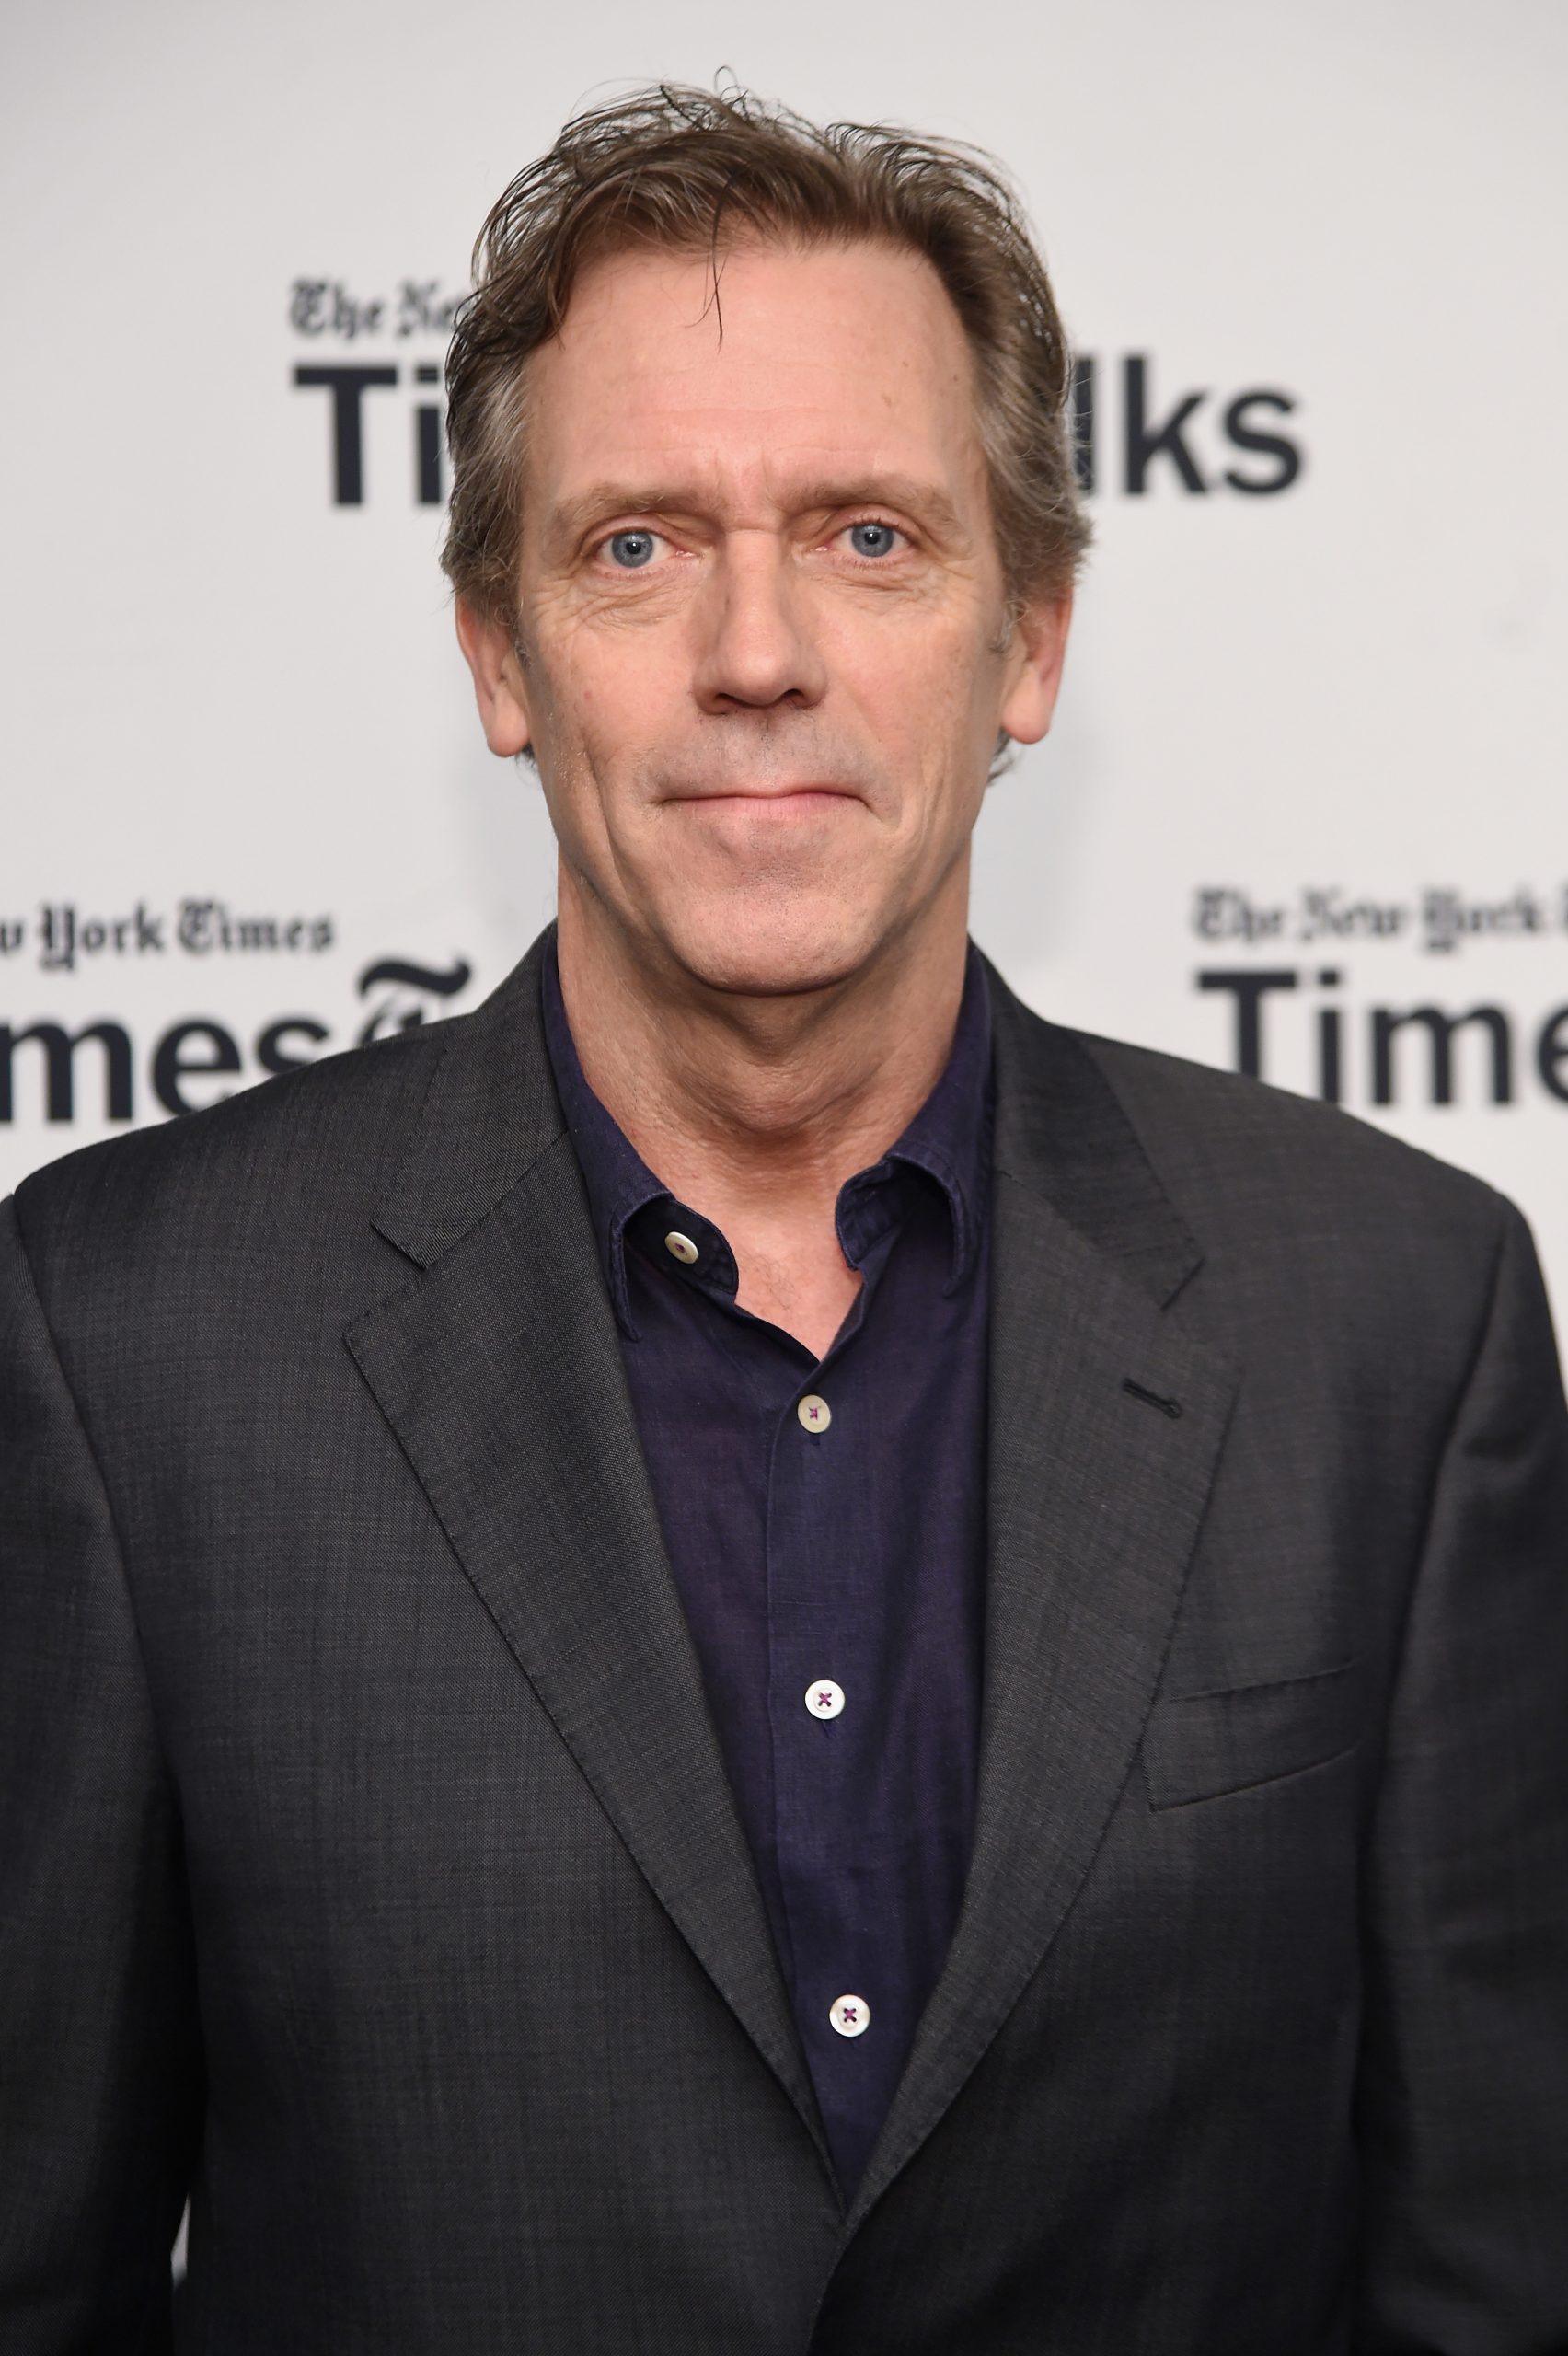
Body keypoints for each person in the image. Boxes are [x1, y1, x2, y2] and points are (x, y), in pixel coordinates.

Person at [3, 83, 1566, 2356]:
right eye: (638, 543)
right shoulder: (128, 1336)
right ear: (499, 654)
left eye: (869, 535)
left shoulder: (1398, 1322)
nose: (758, 651)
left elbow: (1497, 2263)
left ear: (1029, 638)